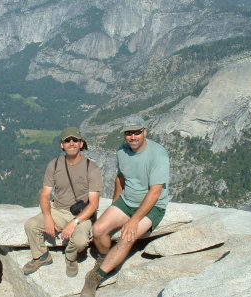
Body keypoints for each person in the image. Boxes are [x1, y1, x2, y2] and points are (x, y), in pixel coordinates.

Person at [80, 116, 169, 297]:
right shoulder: (122, 151)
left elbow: (155, 192)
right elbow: (120, 178)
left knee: (127, 236)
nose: (133, 137)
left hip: (152, 206)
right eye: (129, 133)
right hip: (127, 201)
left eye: (137, 132)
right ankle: (106, 258)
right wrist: (114, 205)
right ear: (124, 135)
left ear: (145, 132)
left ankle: (95, 277)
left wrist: (133, 221)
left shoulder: (158, 154)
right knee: (98, 230)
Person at [24, 127, 103, 277]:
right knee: (31, 225)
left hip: (82, 213)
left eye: (75, 140)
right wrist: (47, 217)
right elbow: (45, 195)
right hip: (58, 210)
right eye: (67, 140)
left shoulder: (91, 168)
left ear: (81, 144)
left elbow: (94, 204)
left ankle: (70, 258)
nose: (71, 143)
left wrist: (74, 222)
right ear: (62, 145)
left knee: (80, 241)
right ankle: (42, 256)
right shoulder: (54, 165)